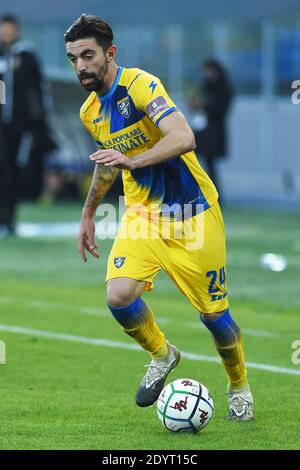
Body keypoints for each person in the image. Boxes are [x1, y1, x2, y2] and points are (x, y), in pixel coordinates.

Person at [65, 14, 253, 421]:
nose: (80, 66)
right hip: (142, 215)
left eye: (88, 55)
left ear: (109, 53)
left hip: (193, 213)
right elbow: (107, 162)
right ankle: (162, 354)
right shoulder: (89, 112)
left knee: (214, 316)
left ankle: (238, 385)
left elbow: (185, 137)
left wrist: (132, 160)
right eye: (73, 58)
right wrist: (88, 213)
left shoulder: (141, 85)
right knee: (118, 296)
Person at [0, 15, 55, 235]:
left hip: (20, 126)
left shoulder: (27, 56)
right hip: (1, 125)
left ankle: (8, 219)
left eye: (9, 30)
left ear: (17, 30)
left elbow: (40, 89)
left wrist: (38, 117)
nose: (6, 34)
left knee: (12, 170)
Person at [194, 59, 233, 205]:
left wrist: (203, 106)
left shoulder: (224, 89)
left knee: (210, 165)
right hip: (200, 131)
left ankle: (216, 198)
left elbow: (219, 110)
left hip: (214, 133)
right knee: (193, 162)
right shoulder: (206, 86)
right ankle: (197, 195)